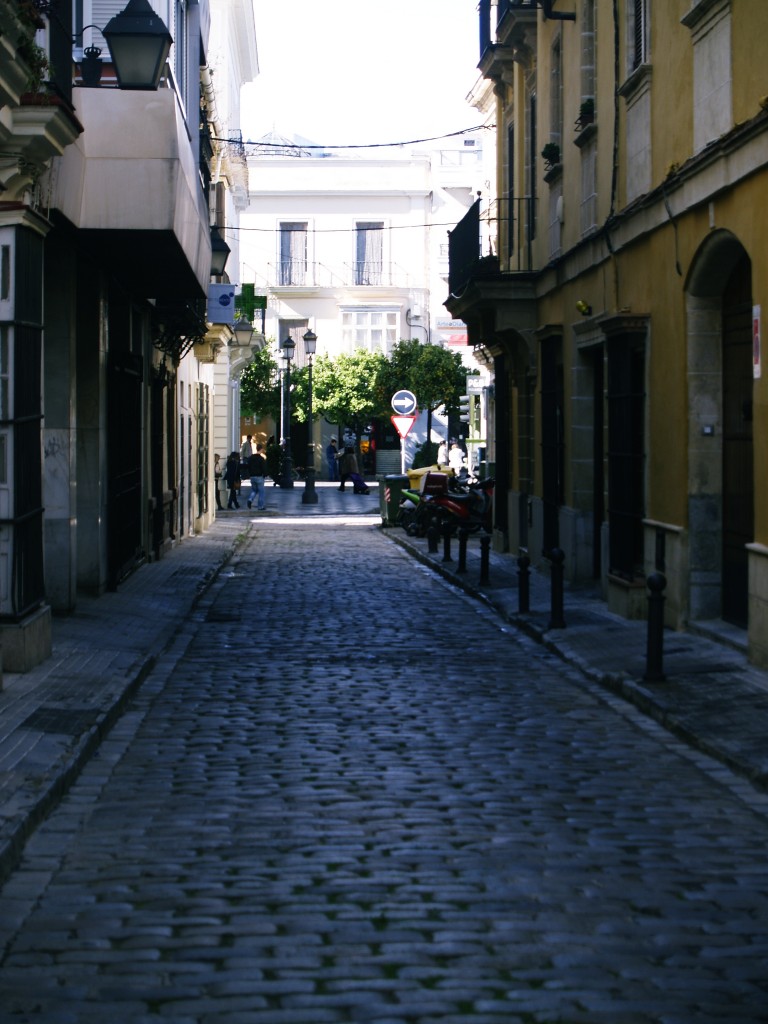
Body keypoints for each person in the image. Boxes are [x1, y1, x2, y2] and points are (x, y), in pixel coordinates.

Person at [246, 443, 267, 511]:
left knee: (254, 490)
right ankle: (260, 506)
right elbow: (264, 468)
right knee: (261, 492)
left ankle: (250, 499)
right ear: (261, 449)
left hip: (252, 476)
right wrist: (265, 474)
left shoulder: (251, 458)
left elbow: (248, 466)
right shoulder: (261, 459)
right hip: (259, 476)